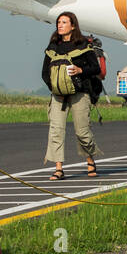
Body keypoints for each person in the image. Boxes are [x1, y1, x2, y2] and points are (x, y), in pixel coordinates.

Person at [41, 11, 104, 179]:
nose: (60, 25)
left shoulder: (83, 45)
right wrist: (55, 87)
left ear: (73, 25)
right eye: (58, 23)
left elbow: (96, 68)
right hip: (58, 96)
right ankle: (58, 168)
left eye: (64, 22)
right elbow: (44, 72)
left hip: (80, 93)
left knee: (82, 131)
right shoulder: (53, 46)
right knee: (56, 131)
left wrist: (80, 70)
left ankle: (90, 160)